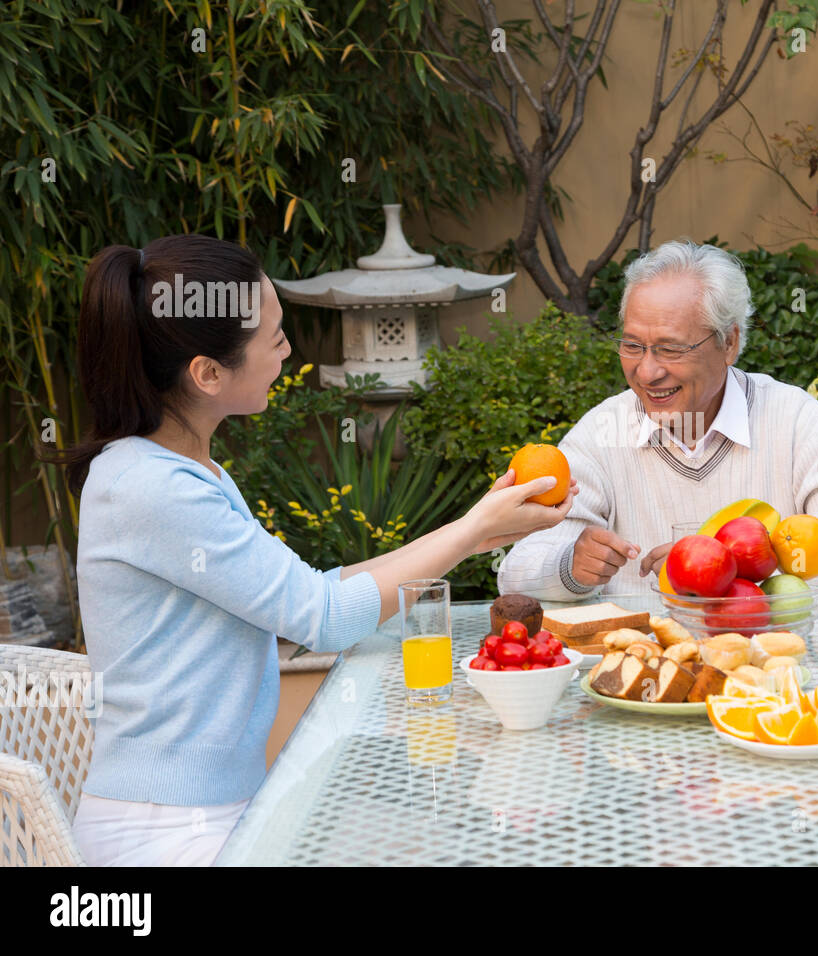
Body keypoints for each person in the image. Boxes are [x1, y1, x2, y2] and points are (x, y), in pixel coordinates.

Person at [48, 235, 575, 865]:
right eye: (274, 338)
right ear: (208, 373)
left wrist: (475, 532)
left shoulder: (186, 471)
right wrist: (470, 530)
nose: (288, 351)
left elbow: (302, 603)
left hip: (213, 810)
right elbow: (322, 617)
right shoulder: (152, 489)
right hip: (170, 834)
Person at [496, 239, 818, 600]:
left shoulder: (795, 420)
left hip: (773, 658)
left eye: (671, 349)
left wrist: (714, 564)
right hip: (643, 661)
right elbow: (517, 571)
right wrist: (571, 568)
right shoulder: (601, 433)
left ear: (728, 343)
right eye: (632, 346)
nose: (646, 373)